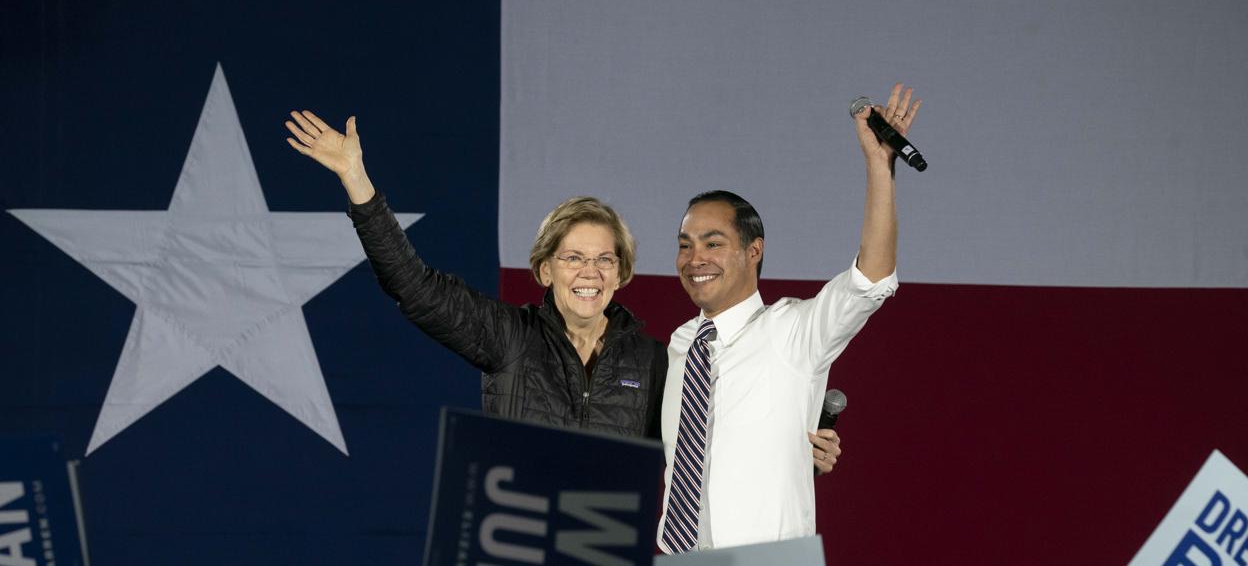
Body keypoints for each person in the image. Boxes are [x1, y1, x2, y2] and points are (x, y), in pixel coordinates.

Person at [282, 112, 844, 465]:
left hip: (603, 545)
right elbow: (413, 286)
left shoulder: (658, 361)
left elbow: (714, 442)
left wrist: (801, 446)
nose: (590, 272)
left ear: (622, 274)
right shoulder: (507, 338)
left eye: (605, 259)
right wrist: (356, 179)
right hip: (512, 542)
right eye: (573, 258)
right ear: (545, 270)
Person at [656, 83, 921, 552]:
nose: (695, 258)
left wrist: (879, 167)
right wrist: (804, 454)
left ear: (752, 251)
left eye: (713, 243)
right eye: (685, 245)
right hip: (684, 558)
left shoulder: (793, 332)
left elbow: (871, 278)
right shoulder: (681, 343)